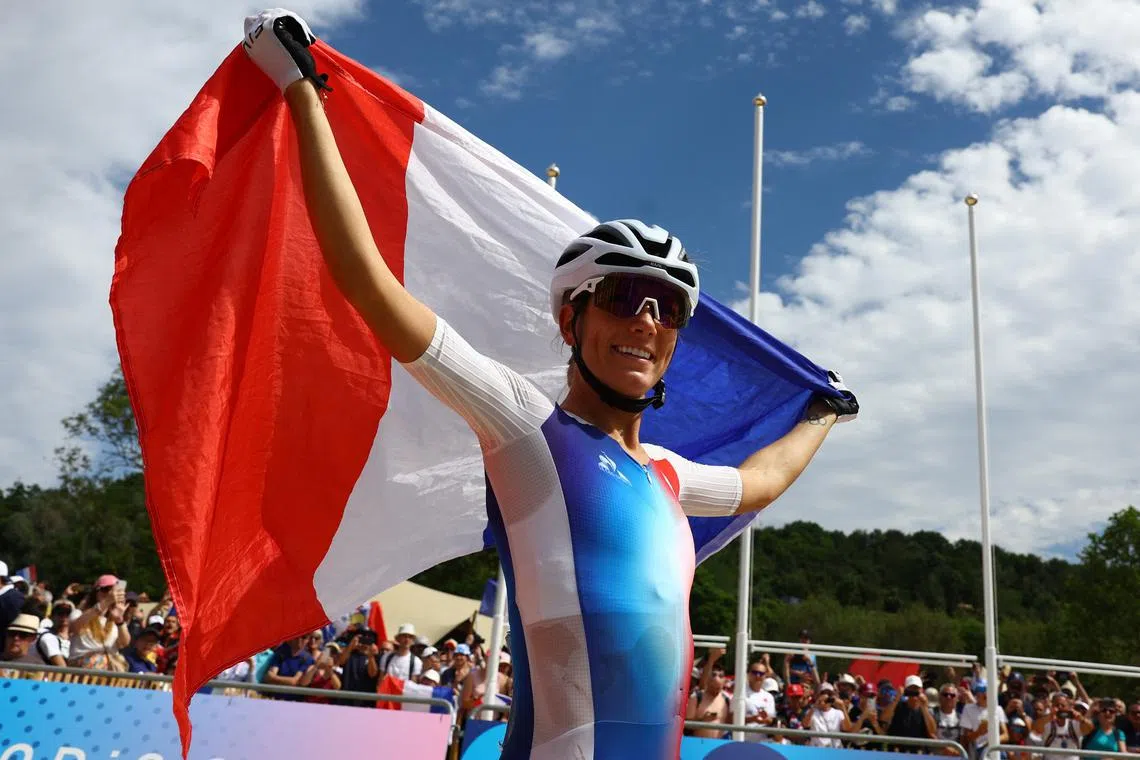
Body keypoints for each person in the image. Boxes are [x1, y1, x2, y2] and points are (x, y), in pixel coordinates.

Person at [241, 11, 856, 757]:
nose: (648, 321)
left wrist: (822, 415)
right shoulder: (529, 431)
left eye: (670, 309)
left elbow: (759, 481)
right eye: (625, 297)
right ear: (572, 319)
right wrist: (305, 94)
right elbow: (370, 286)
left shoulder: (664, 476)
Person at [67, 575, 130, 671]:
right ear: (95, 593)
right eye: (105, 589)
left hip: (109, 667)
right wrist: (105, 602)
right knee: (101, 660)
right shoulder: (79, 613)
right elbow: (74, 628)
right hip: (82, 666)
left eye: (113, 591)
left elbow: (124, 643)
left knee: (120, 663)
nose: (110, 593)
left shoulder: (113, 619)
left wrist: (120, 621)